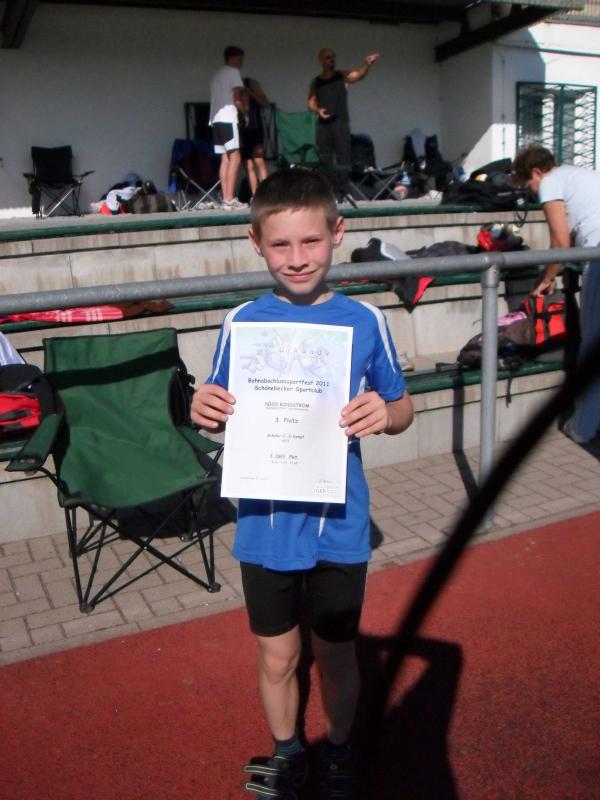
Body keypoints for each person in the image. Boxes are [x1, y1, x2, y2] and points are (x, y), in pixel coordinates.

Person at [191, 168, 413, 799]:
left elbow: (402, 407)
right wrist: (203, 408)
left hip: (339, 522)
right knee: (278, 656)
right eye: (281, 244)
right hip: (264, 524)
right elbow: (217, 404)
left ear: (337, 233)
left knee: (336, 654)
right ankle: (289, 752)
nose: (297, 258)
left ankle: (338, 751)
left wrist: (385, 413)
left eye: (311, 241)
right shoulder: (241, 322)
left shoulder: (366, 319)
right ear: (256, 242)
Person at [512, 144, 600, 444]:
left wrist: (547, 279)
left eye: (528, 184)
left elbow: (560, 242)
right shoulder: (581, 174)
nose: (532, 192)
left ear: (537, 172)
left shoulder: (550, 181)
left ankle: (583, 427)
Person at [307, 48, 380, 167]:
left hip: (340, 123)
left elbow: (359, 75)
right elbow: (311, 102)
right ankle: (327, 179)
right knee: (324, 160)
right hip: (323, 126)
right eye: (328, 57)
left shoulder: (341, 76)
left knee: (344, 159)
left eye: (333, 57)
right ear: (321, 60)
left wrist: (367, 64)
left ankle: (344, 179)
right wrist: (318, 110)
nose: (332, 59)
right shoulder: (316, 81)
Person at [209, 45, 248, 210]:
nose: (241, 63)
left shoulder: (216, 75)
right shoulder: (233, 73)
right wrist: (245, 113)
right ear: (234, 58)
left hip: (215, 120)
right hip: (228, 118)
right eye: (240, 59)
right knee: (235, 157)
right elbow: (237, 98)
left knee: (225, 158)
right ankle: (230, 198)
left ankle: (225, 198)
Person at [239, 77, 270, 196]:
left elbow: (265, 103)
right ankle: (255, 194)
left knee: (259, 161)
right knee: (248, 164)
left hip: (256, 130)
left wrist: (250, 92)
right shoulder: (234, 89)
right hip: (242, 131)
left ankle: (265, 193)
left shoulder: (250, 83)